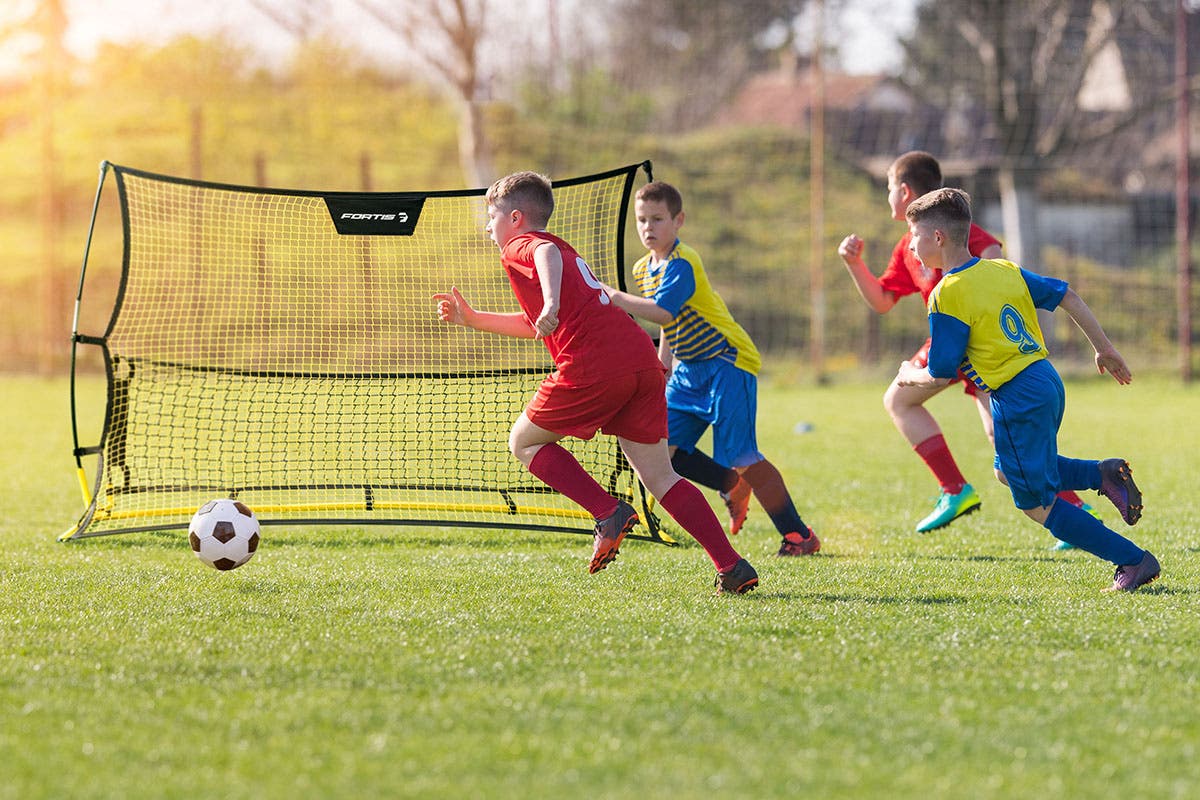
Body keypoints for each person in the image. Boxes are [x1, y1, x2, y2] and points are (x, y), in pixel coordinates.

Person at [433, 171, 759, 594]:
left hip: (595, 364)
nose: (488, 227)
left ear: (515, 218)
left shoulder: (525, 245)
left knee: (524, 442)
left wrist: (550, 300)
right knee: (660, 476)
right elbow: (537, 321)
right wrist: (475, 319)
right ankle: (732, 567)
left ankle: (608, 512)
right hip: (640, 359)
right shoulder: (563, 253)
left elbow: (543, 251)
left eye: (492, 217)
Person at [896, 187, 1158, 592]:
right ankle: (1102, 473)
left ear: (937, 238)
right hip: (1044, 379)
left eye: (913, 237)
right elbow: (1067, 294)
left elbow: (942, 371)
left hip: (1017, 396)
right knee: (1006, 471)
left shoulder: (946, 294)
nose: (910, 246)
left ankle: (1133, 560)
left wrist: (907, 376)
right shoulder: (1003, 269)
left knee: (1036, 505)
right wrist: (1104, 349)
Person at [838, 150, 1097, 537]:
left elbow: (994, 262)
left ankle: (1060, 505)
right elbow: (881, 300)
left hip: (978, 345)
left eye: (890, 187)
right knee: (911, 405)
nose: (888, 195)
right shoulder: (909, 245)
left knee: (999, 437)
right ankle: (960, 490)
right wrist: (855, 265)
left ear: (905, 191)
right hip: (949, 342)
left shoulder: (955, 231)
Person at [602, 181, 820, 557]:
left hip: (726, 363)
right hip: (688, 372)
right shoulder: (643, 267)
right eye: (641, 220)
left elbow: (665, 311)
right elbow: (671, 322)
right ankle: (730, 484)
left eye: (657, 218)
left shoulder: (683, 262)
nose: (648, 227)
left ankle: (799, 535)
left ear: (678, 220)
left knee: (740, 453)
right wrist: (663, 364)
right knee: (662, 445)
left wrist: (616, 297)